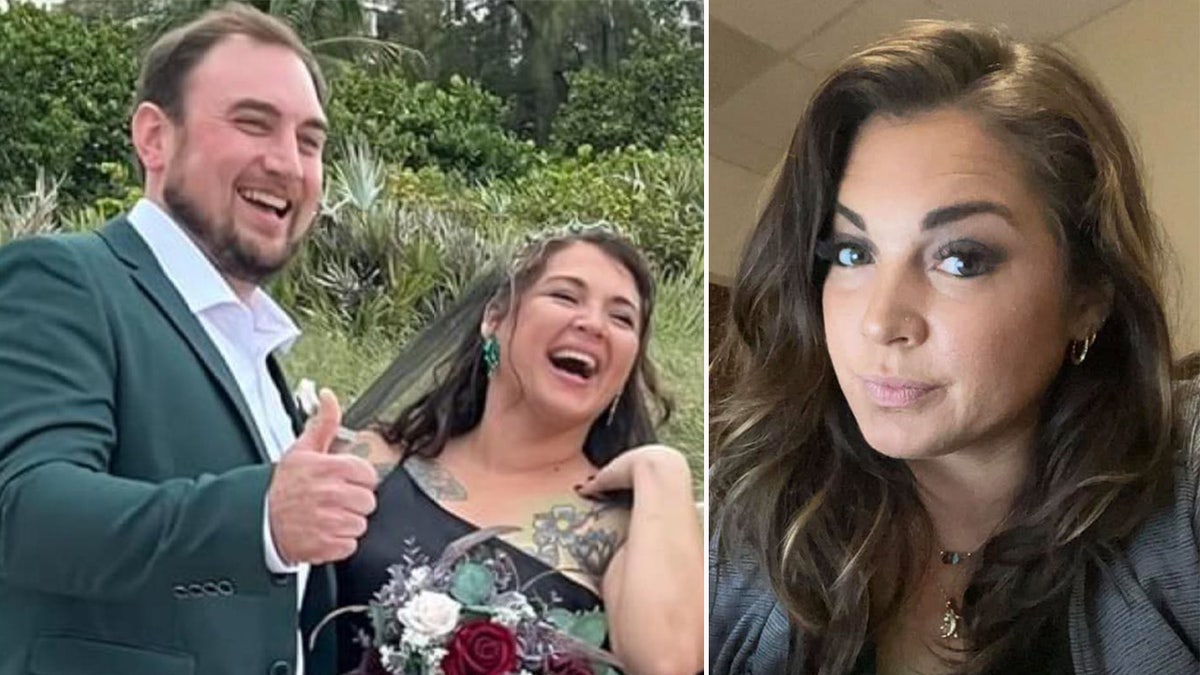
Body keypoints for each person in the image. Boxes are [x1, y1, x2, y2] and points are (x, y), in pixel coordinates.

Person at [708, 20, 1199, 675]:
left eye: (961, 259)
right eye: (853, 253)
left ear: (1089, 296)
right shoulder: (748, 520)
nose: (881, 322)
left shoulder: (1180, 493)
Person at [0, 4, 378, 675]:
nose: (289, 163)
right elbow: (28, 510)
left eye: (311, 141)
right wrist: (259, 515)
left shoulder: (259, 358)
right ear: (154, 137)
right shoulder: (65, 279)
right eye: (253, 123)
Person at [334, 225, 705, 675]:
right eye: (566, 297)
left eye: (622, 318)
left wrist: (663, 470)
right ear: (494, 318)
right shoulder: (375, 459)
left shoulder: (622, 531)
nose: (592, 324)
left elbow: (668, 665)